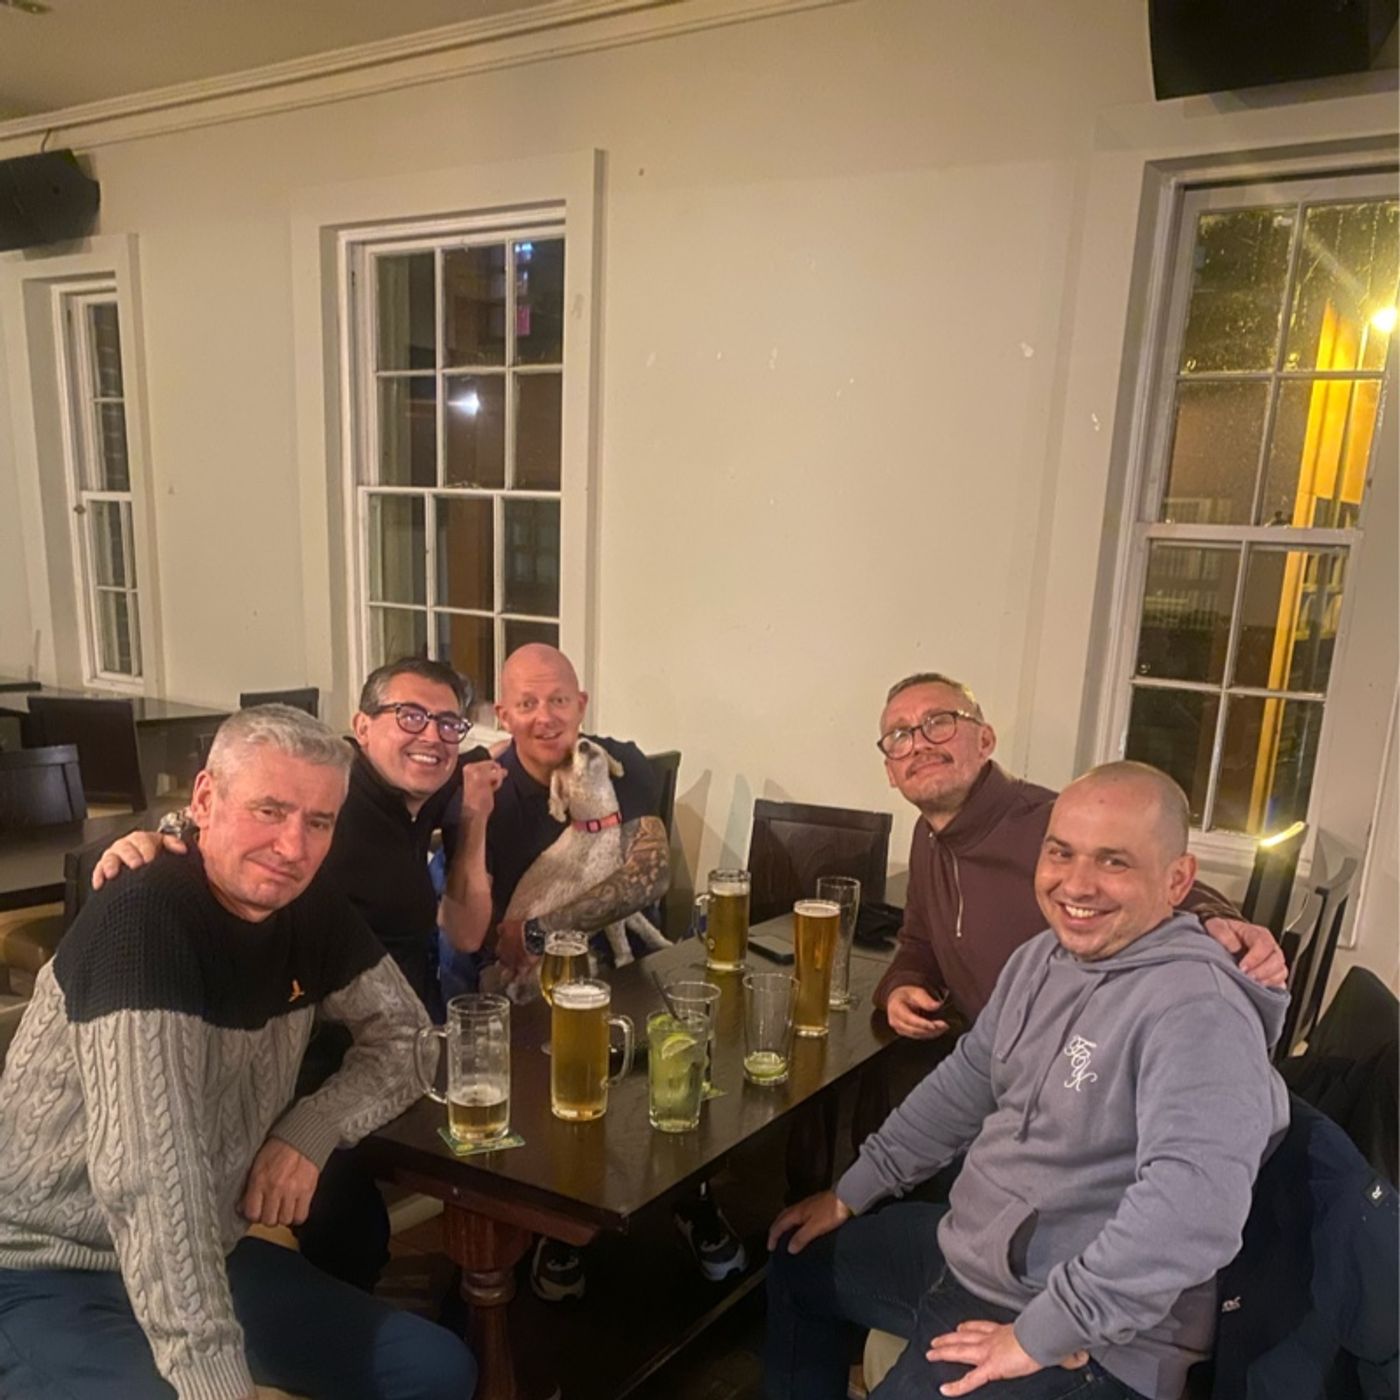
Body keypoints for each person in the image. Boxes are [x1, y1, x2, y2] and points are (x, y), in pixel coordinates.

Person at [765, 761, 1289, 1400]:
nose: (1077, 883)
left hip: (1093, 1335)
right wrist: (851, 1192)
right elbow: (964, 1085)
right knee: (798, 1261)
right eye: (1061, 852)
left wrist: (1041, 1333)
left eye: (1114, 861)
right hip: (979, 1259)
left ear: (1177, 880)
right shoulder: (1042, 957)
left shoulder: (1199, 1010)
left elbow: (1192, 1212)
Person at [0, 706, 476, 1400]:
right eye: (269, 810)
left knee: (437, 1369)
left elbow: (407, 1041)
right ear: (204, 799)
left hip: (210, 1250)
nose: (292, 846)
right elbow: (149, 1179)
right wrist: (215, 1380)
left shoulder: (307, 908)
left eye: (319, 822)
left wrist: (309, 1131)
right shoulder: (145, 916)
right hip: (46, 1268)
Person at [91, 657, 489, 1292]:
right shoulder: (332, 806)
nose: (432, 736)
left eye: (449, 724)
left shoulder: (419, 791)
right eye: (410, 716)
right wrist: (161, 835)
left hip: (384, 1045)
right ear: (361, 728)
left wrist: (476, 815)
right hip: (296, 1065)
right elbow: (231, 825)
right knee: (354, 1226)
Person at [439, 642, 744, 1299]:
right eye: (527, 703)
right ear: (503, 714)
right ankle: (560, 1223)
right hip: (521, 983)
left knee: (683, 1046)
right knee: (553, 1079)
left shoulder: (611, 762)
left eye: (558, 699)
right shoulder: (475, 783)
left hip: (623, 965)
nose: (545, 716)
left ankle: (692, 1197)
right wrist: (471, 818)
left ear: (581, 704)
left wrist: (541, 928)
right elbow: (465, 925)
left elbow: (647, 874)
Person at [871, 673, 1284, 1042]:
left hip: (1077, 1076)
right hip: (987, 1061)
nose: (919, 744)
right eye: (900, 735)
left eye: (939, 723)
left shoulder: (1053, 824)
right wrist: (902, 985)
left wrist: (1220, 920)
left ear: (985, 740)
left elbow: (1163, 888)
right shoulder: (928, 836)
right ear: (891, 771)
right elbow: (919, 941)